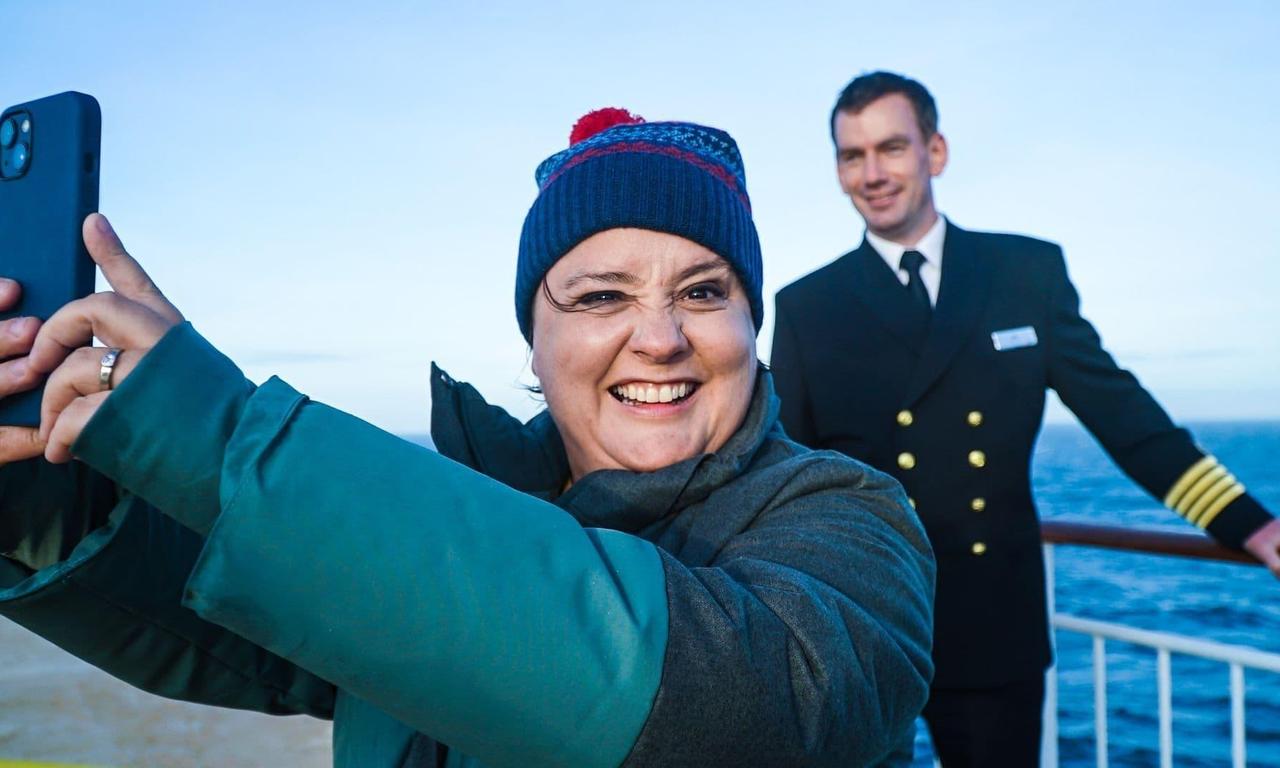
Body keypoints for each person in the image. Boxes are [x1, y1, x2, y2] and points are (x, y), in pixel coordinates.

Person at [0, 108, 934, 767]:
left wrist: (219, 436)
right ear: (535, 337)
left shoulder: (853, 520)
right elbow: (229, 609)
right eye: (601, 296)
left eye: (702, 292)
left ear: (750, 325)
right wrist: (36, 491)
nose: (659, 336)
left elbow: (738, 707)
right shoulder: (469, 502)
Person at [769, 71, 1280, 766]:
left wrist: (1249, 523)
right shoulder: (809, 306)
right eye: (852, 156)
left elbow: (1122, 413)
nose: (872, 173)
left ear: (936, 151)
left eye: (891, 147)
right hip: (865, 620)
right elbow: (786, 472)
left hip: (991, 616)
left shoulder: (1023, 272)